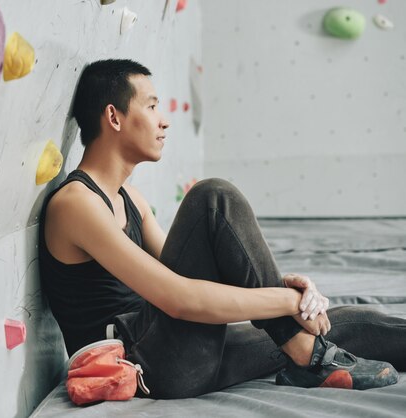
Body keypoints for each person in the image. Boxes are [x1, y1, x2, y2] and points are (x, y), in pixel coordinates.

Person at [38, 59, 404, 398]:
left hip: (183, 350)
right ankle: (305, 354)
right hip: (141, 363)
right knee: (214, 198)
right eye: (151, 107)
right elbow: (179, 299)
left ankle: (305, 351)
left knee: (349, 325)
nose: (163, 120)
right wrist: (287, 301)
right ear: (114, 118)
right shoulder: (76, 204)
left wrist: (289, 295)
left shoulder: (130, 198)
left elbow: (203, 280)